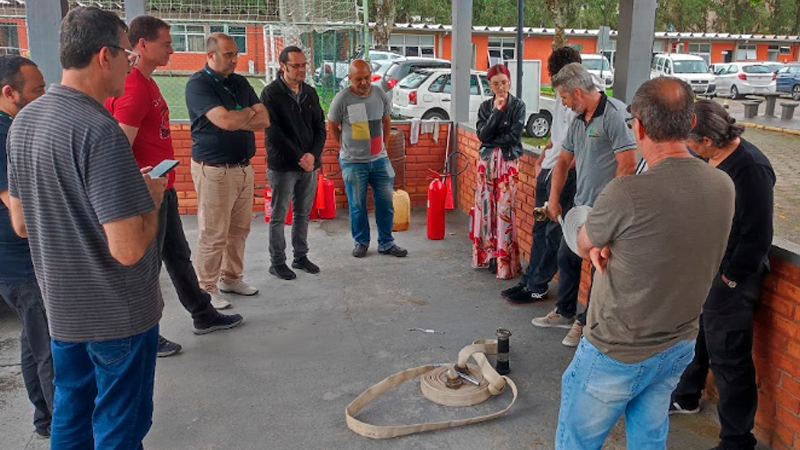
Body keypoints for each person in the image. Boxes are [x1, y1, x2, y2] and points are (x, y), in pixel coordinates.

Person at [5, 7, 166, 447]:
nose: (130, 66)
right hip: (117, 316)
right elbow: (129, 248)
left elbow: (21, 223)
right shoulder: (99, 130)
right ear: (104, 56)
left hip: (64, 311)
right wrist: (151, 199)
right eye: (127, 56)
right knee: (120, 425)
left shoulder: (23, 124)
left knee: (71, 418)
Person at [555, 77, 736, 450]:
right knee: (649, 438)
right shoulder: (723, 185)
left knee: (576, 441)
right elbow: (665, 238)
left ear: (637, 126)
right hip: (677, 345)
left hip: (616, 350)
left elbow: (582, 240)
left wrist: (588, 233)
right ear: (689, 125)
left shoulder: (625, 193)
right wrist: (609, 241)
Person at [105, 15, 243, 357]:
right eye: (166, 44)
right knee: (146, 265)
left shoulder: (146, 82)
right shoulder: (134, 87)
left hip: (159, 184)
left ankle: (203, 313)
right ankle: (145, 333)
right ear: (142, 45)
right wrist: (141, 190)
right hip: (145, 191)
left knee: (177, 255)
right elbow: (119, 148)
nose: (171, 49)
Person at [670, 100, 775, 450]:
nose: (688, 148)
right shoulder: (707, 158)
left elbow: (758, 236)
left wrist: (729, 279)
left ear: (710, 140)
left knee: (730, 357)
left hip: (733, 278)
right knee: (698, 335)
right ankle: (687, 395)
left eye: (692, 142)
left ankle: (736, 439)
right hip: (705, 268)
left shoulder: (751, 169)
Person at [531, 62, 637, 347]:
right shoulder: (579, 121)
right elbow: (564, 161)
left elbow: (627, 165)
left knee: (598, 270)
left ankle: (584, 322)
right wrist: (553, 199)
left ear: (577, 93)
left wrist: (607, 208)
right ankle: (565, 312)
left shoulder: (614, 115)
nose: (564, 105)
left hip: (605, 212)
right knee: (567, 257)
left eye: (564, 98)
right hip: (580, 207)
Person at [185, 32, 270, 302]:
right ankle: (206, 288)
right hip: (214, 170)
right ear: (210, 56)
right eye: (229, 54)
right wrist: (245, 114)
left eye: (236, 54)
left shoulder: (239, 82)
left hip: (243, 168)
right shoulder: (198, 85)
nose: (235, 59)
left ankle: (231, 278)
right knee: (214, 232)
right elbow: (226, 121)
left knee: (239, 229)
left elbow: (264, 118)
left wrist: (236, 118)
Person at [0, 55, 51, 439]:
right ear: (9, 92)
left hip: (20, 262)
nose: (43, 98)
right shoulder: (4, 136)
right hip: (20, 261)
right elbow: (19, 212)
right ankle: (71, 429)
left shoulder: (14, 127)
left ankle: (46, 420)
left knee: (34, 341)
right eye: (36, 91)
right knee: (51, 349)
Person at [502, 48, 579, 302]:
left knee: (552, 233)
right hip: (549, 169)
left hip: (564, 176)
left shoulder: (578, 100)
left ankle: (538, 285)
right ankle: (529, 279)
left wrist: (560, 172)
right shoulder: (561, 94)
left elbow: (579, 147)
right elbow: (557, 136)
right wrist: (544, 154)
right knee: (539, 227)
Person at [328, 59, 407, 258]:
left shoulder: (379, 93)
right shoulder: (342, 99)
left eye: (366, 78)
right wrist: (345, 147)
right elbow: (332, 126)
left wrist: (385, 146)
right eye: (358, 79)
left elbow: (386, 120)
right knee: (357, 205)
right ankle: (361, 242)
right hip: (353, 162)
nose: (363, 83)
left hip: (379, 160)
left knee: (385, 204)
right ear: (349, 78)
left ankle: (386, 243)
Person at [260, 45, 326, 280]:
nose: (301, 70)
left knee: (302, 214)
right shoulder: (270, 94)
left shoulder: (310, 92)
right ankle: (277, 262)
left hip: (309, 165)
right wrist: (300, 156)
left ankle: (300, 257)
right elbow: (274, 132)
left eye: (304, 65)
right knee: (279, 216)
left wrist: (313, 155)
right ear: (283, 66)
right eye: (295, 66)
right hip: (283, 166)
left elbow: (320, 127)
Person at [471, 64, 524, 279]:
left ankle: (505, 260)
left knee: (504, 209)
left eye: (504, 82)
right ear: (489, 85)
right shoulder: (485, 107)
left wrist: (492, 137)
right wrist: (496, 112)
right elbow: (482, 135)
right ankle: (489, 254)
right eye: (495, 84)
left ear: (509, 81)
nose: (501, 87)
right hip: (486, 163)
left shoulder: (518, 105)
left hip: (508, 163)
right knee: (486, 209)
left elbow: (514, 136)